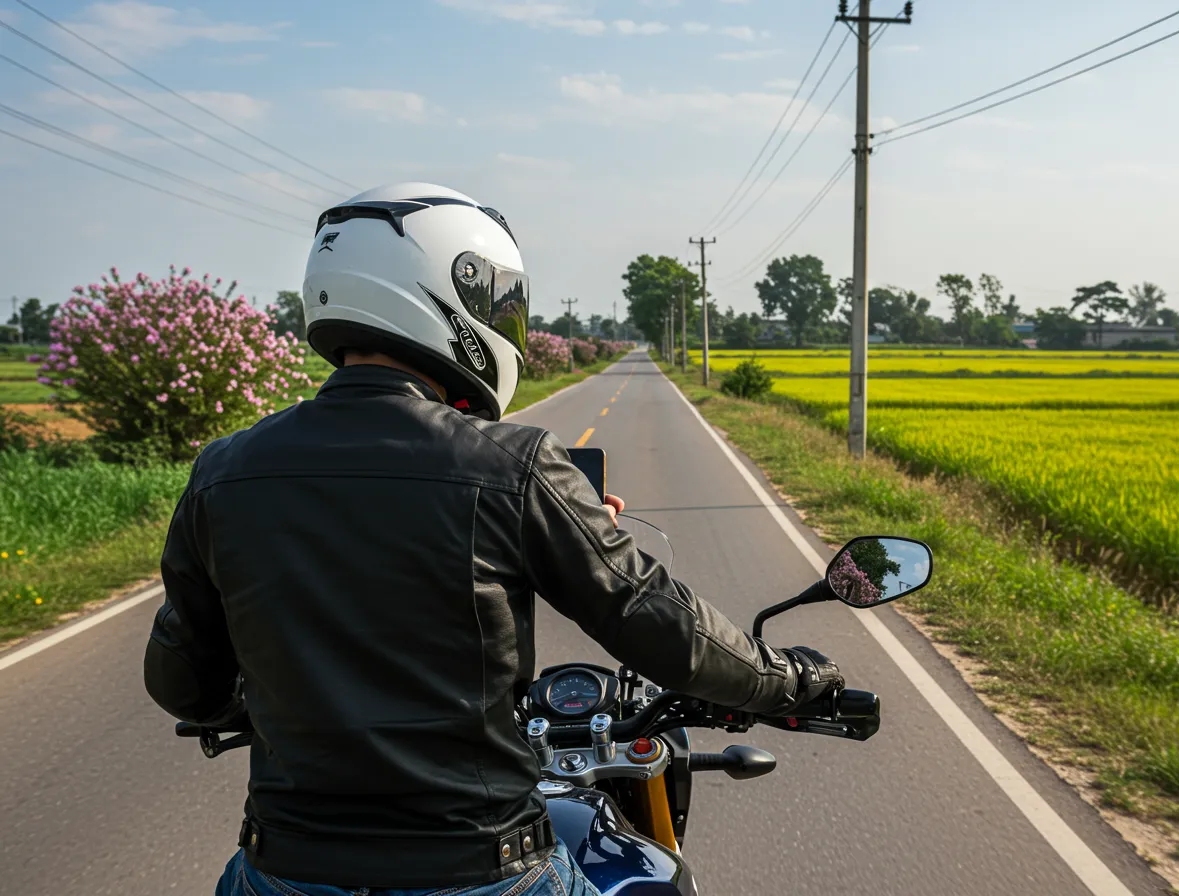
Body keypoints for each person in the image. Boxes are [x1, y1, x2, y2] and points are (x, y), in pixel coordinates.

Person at [143, 182, 845, 896]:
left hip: (283, 871)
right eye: (500, 304)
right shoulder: (512, 464)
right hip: (479, 868)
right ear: (452, 292)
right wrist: (790, 679)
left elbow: (184, 684)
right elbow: (667, 631)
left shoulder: (224, 471)